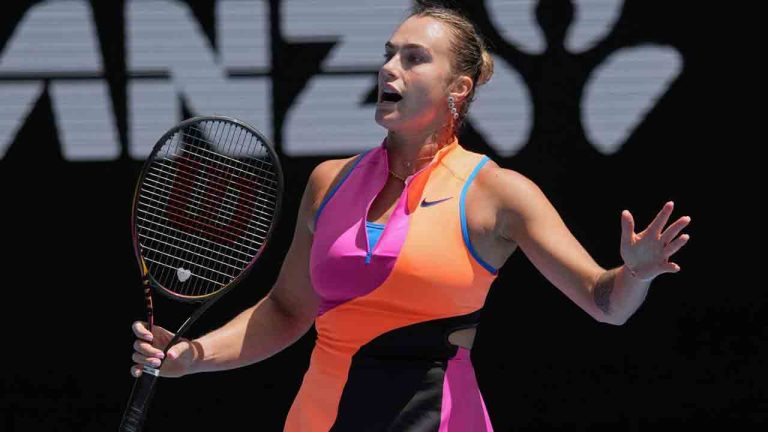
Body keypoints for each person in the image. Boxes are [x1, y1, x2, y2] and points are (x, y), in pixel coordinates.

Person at [129, 4, 691, 431]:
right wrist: (191, 358)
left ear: (458, 88)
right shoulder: (330, 181)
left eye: (414, 58)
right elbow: (285, 310)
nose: (388, 68)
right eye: (388, 53)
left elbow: (603, 301)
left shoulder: (498, 195)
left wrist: (635, 272)